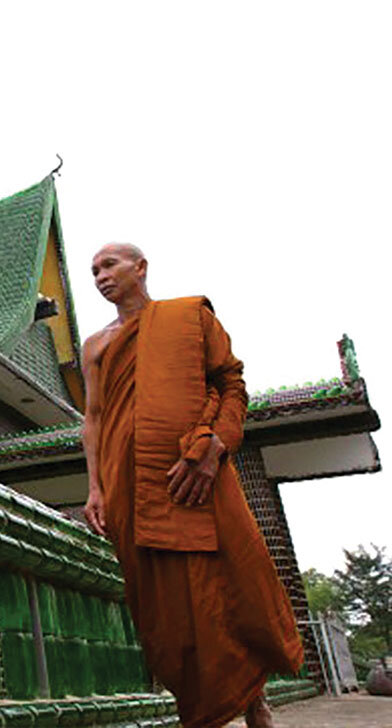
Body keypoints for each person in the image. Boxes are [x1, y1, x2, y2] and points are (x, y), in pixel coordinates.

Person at [80, 243, 303, 728]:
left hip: (199, 472)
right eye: (93, 270)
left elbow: (231, 385)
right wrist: (96, 488)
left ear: (140, 267)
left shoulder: (187, 317)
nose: (100, 276)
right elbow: (94, 417)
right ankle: (199, 711)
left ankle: (254, 702)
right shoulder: (95, 345)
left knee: (233, 583)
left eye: (109, 264)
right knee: (169, 608)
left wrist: (215, 450)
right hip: (129, 485)